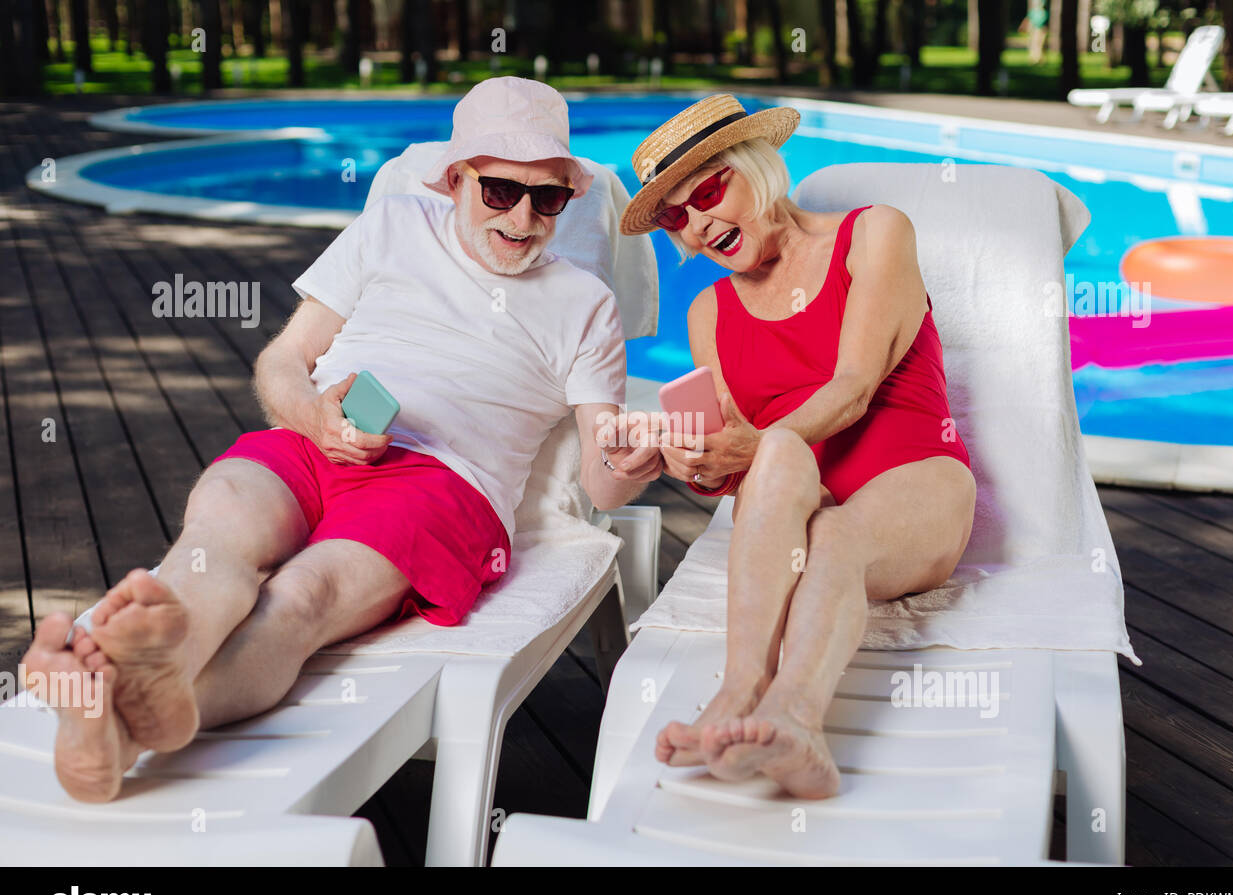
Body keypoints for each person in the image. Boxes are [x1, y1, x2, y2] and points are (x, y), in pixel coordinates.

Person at [22, 76, 660, 802]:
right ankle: (145, 679)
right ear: (456, 180)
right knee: (220, 531)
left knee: (302, 596)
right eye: (499, 191)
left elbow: (605, 479)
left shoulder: (585, 305)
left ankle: (122, 723)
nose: (522, 217)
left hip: (445, 485)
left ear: (567, 198)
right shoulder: (391, 225)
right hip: (317, 439)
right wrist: (310, 414)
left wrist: (632, 461)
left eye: (547, 197)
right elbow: (283, 361)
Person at [620, 94, 976, 799]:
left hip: (915, 481)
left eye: (709, 193)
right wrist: (695, 460)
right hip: (797, 501)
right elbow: (734, 461)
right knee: (783, 462)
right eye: (675, 216)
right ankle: (739, 694)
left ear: (756, 165)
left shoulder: (876, 233)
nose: (697, 225)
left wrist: (753, 450)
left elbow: (852, 389)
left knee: (830, 522)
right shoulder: (709, 313)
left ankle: (797, 720)